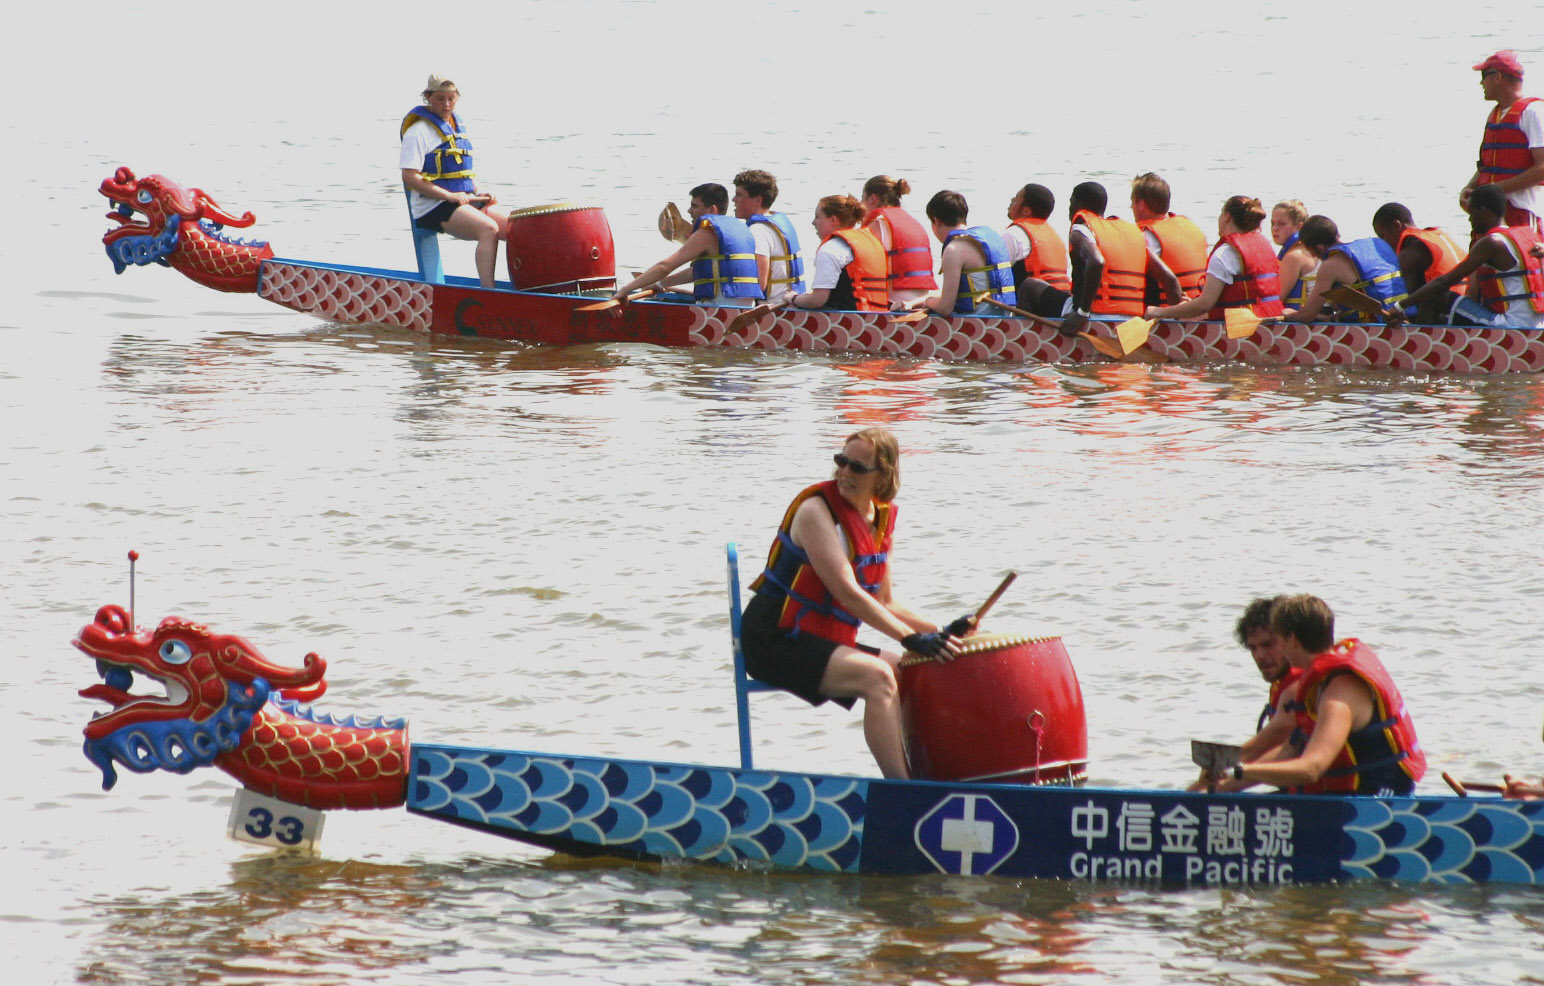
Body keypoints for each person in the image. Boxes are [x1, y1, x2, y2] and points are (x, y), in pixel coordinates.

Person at [741, 428, 970, 778]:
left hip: (815, 635)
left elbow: (886, 602)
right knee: (877, 677)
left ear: (883, 477)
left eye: (857, 468)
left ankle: (929, 775)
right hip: (772, 638)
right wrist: (909, 639)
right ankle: (902, 790)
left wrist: (939, 633)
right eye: (841, 461)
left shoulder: (879, 520)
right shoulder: (815, 512)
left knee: (908, 669)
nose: (844, 472)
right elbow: (848, 592)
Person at [1219, 595, 1425, 796]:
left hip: (1374, 804)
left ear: (1293, 640)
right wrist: (1215, 786)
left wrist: (1239, 770)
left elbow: (1312, 769)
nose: (1276, 650)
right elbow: (1288, 751)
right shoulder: (1317, 685)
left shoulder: (1339, 694)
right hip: (1340, 799)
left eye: (1278, 641)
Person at [1017, 181, 1183, 337]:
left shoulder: (1081, 229)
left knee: (1029, 286)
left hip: (1092, 316)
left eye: (1071, 202)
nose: (1069, 209)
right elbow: (1170, 280)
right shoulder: (1133, 234)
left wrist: (1082, 313)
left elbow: (1097, 261)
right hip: (1132, 320)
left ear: (1080, 205)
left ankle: (1026, 340)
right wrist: (1177, 327)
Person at [399, 74, 511, 289]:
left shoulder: (456, 128)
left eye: (451, 98)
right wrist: (449, 196)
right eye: (440, 99)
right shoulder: (418, 132)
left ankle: (527, 289)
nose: (446, 104)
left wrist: (479, 193)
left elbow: (459, 171)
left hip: (463, 201)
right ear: (428, 98)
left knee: (517, 228)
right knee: (488, 229)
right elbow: (409, 176)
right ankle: (490, 294)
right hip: (431, 206)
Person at [1187, 596, 1301, 793]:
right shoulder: (1281, 683)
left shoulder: (1299, 684)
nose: (1260, 656)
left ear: (1289, 641)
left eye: (1267, 645)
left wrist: (1215, 787)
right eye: (1253, 648)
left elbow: (1276, 745)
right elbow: (1264, 749)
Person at [1391, 184, 1544, 328]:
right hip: (1536, 326)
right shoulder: (1528, 236)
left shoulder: (1492, 242)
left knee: (1435, 295)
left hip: (1509, 325)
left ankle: (1419, 347)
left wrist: (1401, 306)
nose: (1470, 220)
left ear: (1484, 211)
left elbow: (1444, 282)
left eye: (1471, 213)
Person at [611, 183, 762, 305]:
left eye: (695, 206)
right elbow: (695, 272)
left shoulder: (706, 233)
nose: (689, 211)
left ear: (712, 209)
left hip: (720, 307)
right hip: (745, 307)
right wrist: (658, 284)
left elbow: (665, 266)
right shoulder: (741, 228)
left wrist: (625, 289)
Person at [1145, 196, 1283, 321]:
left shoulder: (1224, 254)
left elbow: (1204, 305)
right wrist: (1190, 305)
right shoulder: (1265, 245)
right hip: (1273, 322)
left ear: (1227, 216)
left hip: (1242, 329)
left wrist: (1159, 312)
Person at [1460, 50, 1544, 231]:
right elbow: (1486, 165)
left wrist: (1493, 192)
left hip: (1522, 210)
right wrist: (1471, 189)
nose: (1481, 82)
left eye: (1484, 75)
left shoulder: (1533, 112)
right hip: (1489, 213)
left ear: (1498, 77)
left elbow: (1542, 168)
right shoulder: (1495, 115)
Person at [1281, 215, 1407, 322]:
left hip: (1377, 325)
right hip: (1404, 315)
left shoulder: (1330, 266)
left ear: (1319, 247)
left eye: (1309, 251)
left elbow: (1307, 316)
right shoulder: (1375, 244)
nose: (1313, 256)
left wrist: (1291, 314)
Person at [910, 190, 1017, 316]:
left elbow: (945, 308)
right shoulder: (993, 239)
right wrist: (914, 302)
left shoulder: (954, 250)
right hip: (1004, 320)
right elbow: (951, 293)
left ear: (936, 221)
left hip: (976, 324)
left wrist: (928, 302)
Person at [784, 196, 890, 311]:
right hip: (877, 317)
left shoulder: (830, 249)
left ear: (833, 220)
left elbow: (817, 300)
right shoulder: (870, 242)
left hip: (847, 320)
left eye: (818, 217)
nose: (813, 223)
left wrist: (793, 298)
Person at [1371, 202, 1468, 324]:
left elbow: (1413, 305)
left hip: (1450, 315)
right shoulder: (1438, 236)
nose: (1384, 243)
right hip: (1468, 305)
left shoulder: (1409, 254)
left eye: (1382, 236)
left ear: (1397, 225)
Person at [1130, 173, 1209, 302]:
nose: (1131, 207)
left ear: (1141, 204)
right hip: (1200, 304)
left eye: (1132, 202)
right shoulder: (1191, 226)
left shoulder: (1146, 236)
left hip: (1171, 309)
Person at [859, 176, 937, 307]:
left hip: (895, 303)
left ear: (872, 199)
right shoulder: (912, 221)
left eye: (862, 198)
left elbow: (860, 265)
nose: (861, 203)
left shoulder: (878, 224)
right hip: (922, 300)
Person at [734, 170, 807, 298]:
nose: (734, 200)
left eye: (739, 195)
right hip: (789, 302)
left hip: (771, 308)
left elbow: (759, 284)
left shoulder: (757, 231)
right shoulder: (776, 223)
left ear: (757, 200)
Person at [1003, 182, 1071, 296]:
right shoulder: (1056, 236)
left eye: (1016, 198)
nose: (1012, 199)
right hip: (1061, 300)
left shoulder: (1014, 234)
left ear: (1026, 211)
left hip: (1033, 304)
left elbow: (996, 272)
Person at [1272, 199, 1318, 310]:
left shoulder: (1295, 256)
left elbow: (1278, 299)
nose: (1274, 229)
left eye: (1281, 224)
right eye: (1272, 223)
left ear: (1299, 227)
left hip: (1302, 319)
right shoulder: (1313, 248)